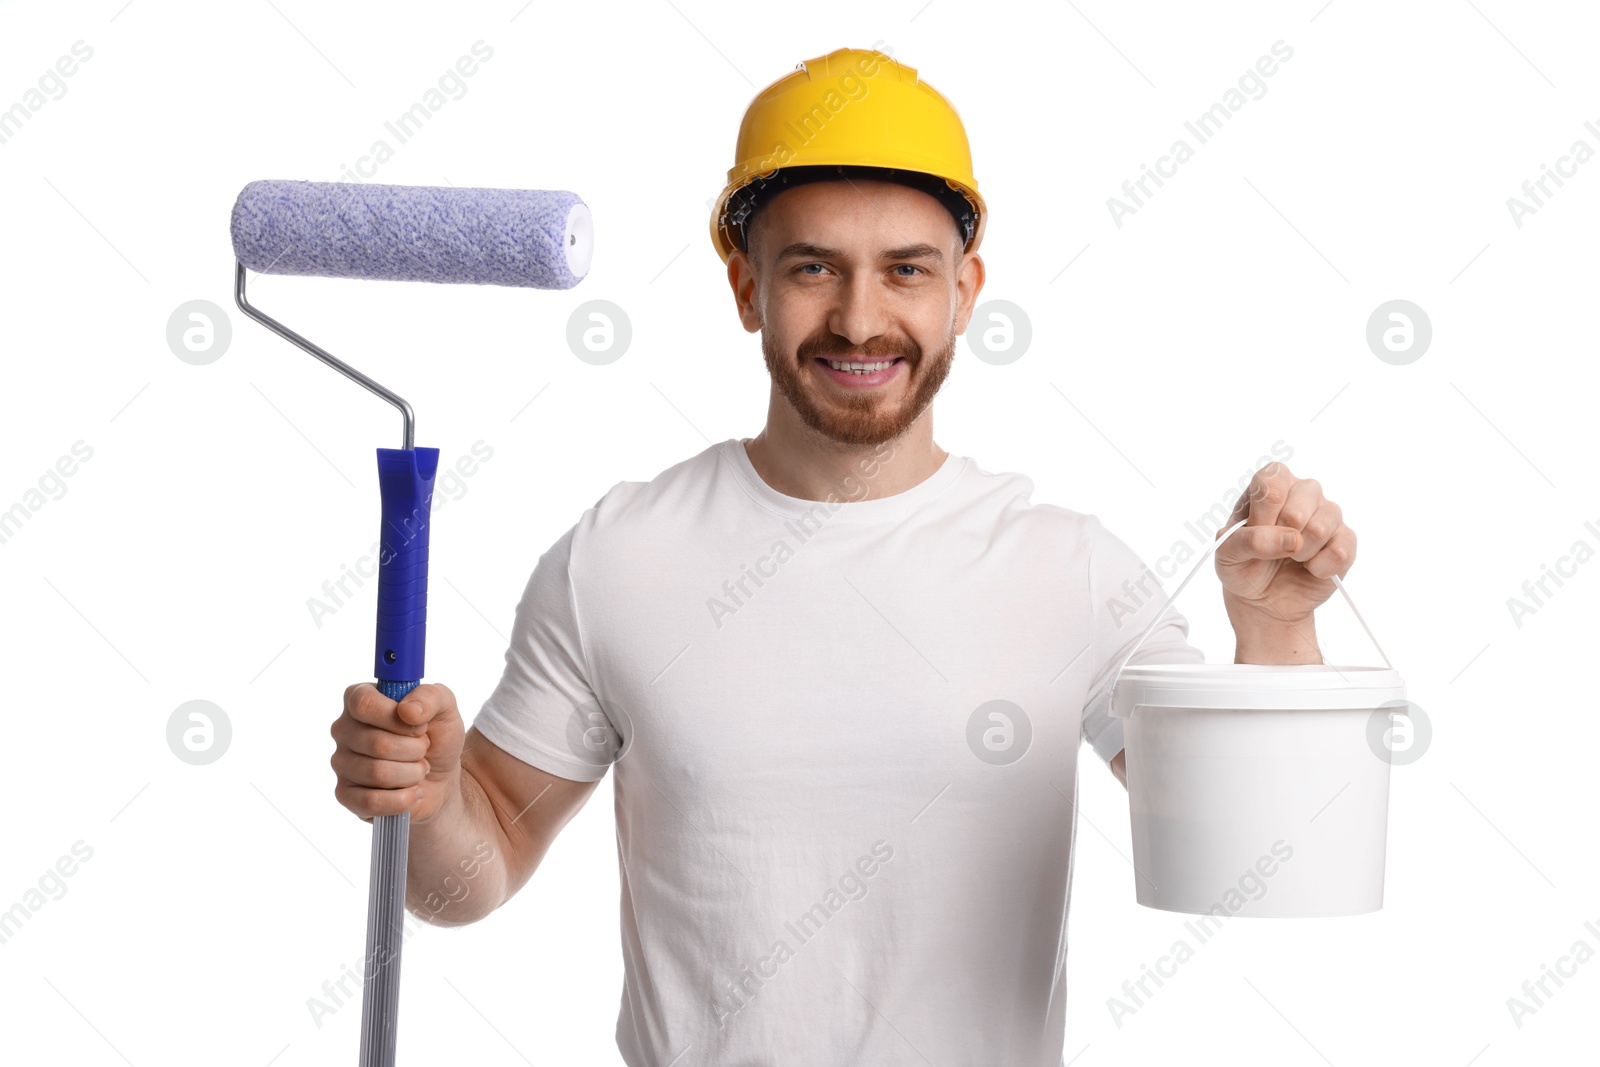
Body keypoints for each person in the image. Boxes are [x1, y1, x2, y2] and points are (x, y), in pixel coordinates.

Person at [329, 46, 1354, 1066]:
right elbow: (465, 874)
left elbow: (1253, 859)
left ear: (964, 289)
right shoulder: (619, 556)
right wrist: (427, 796)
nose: (861, 319)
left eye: (905, 269)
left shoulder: (1067, 570)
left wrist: (1276, 630)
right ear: (745, 287)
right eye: (813, 266)